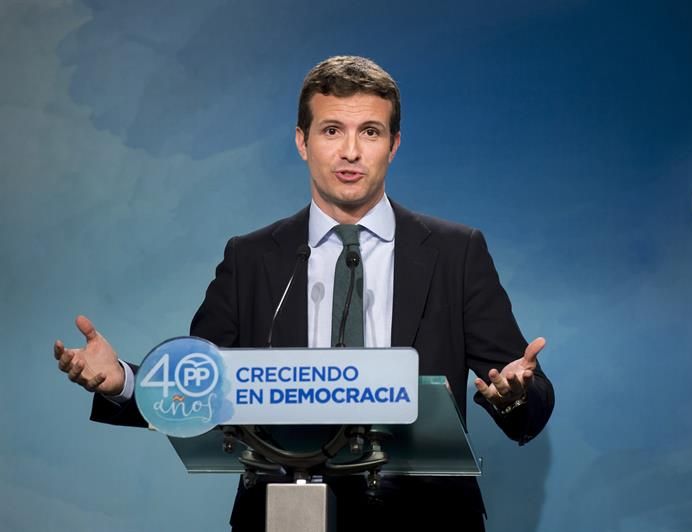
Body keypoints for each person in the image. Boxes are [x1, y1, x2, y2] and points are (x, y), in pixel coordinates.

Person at [54, 55, 555, 532]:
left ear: (394, 144)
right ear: (302, 141)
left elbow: (522, 392)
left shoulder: (455, 253)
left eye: (370, 131)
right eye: (332, 130)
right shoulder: (251, 258)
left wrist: (515, 394)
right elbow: (198, 388)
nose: (351, 151)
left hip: (427, 517)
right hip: (282, 513)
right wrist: (122, 381)